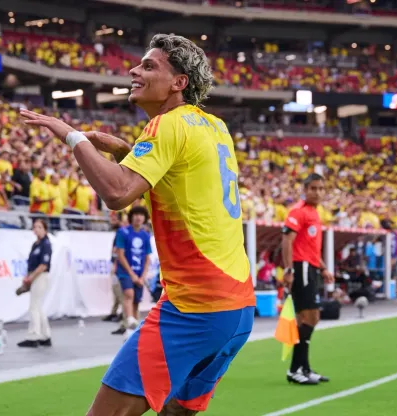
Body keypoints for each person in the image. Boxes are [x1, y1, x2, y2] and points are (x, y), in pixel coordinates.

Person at [21, 33, 256, 416]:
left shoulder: (166, 125)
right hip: (238, 309)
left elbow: (117, 193)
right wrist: (126, 151)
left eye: (149, 66)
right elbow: (180, 181)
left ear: (179, 83)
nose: (134, 70)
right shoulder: (215, 127)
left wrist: (72, 136)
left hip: (194, 307)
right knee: (177, 413)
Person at [281, 173, 335, 385]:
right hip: (300, 267)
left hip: (311, 267)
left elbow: (311, 247)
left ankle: (304, 367)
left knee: (311, 318)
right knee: (308, 317)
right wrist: (288, 269)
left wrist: (323, 268)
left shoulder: (315, 213)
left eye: (321, 188)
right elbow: (287, 240)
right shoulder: (298, 212)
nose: (317, 192)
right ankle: (295, 370)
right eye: (313, 188)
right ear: (305, 189)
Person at [112, 206, 152, 336]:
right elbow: (120, 254)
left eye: (141, 215)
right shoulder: (123, 232)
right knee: (129, 294)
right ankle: (128, 320)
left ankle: (133, 330)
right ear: (131, 217)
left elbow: (147, 258)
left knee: (136, 301)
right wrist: (132, 274)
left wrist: (143, 276)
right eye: (136, 214)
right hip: (125, 272)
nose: (138, 217)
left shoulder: (145, 235)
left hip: (140, 273)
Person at [17, 218, 53, 348]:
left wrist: (31, 277)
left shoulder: (46, 244)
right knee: (38, 306)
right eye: (35, 227)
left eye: (39, 227)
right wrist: (27, 277)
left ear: (45, 229)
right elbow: (31, 263)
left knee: (34, 306)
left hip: (41, 276)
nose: (36, 229)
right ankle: (45, 335)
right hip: (34, 275)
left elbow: (43, 265)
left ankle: (34, 334)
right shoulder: (35, 245)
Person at [104, 212, 128, 324]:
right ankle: (115, 313)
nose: (111, 221)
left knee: (120, 292)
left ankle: (124, 316)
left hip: (118, 267)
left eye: (114, 219)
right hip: (116, 265)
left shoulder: (122, 233)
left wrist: (114, 264)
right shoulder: (119, 233)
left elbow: (118, 251)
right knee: (116, 291)